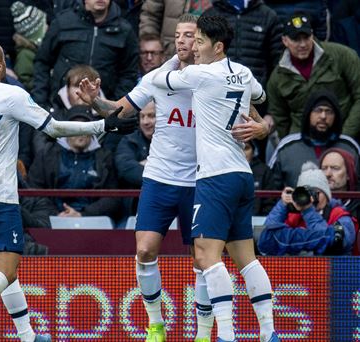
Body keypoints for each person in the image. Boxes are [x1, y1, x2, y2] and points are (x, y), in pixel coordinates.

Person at [78, 13, 270, 342]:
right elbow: (117, 111)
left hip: (203, 179)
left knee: (203, 257)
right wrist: (95, 99)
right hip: (161, 175)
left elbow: (257, 111)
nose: (183, 41)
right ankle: (156, 325)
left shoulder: (203, 77)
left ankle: (206, 332)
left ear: (203, 43)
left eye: (191, 36)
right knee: (145, 250)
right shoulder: (161, 76)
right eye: (178, 35)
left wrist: (264, 127)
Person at [0, 41, 136, 342]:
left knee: (5, 269)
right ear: (1, 66)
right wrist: (101, 126)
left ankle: (27, 335)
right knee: (5, 270)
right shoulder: (11, 94)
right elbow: (54, 128)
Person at [152, 15, 278, 342]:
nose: (193, 48)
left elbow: (158, 80)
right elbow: (262, 98)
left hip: (215, 177)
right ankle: (268, 333)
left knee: (206, 255)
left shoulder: (200, 74)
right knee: (245, 258)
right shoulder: (246, 73)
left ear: (217, 46)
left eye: (200, 42)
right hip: (241, 174)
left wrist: (176, 59)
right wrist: (263, 125)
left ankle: (226, 335)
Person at [266, 12, 360, 139]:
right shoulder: (277, 77)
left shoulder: (342, 56)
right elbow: (280, 118)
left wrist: (346, 136)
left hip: (343, 132)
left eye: (306, 37)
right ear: (285, 41)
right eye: (296, 39)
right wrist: (293, 145)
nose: (303, 44)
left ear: (313, 35)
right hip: (302, 139)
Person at [266, 90, 360, 192]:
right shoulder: (287, 147)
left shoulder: (349, 146)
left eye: (329, 111)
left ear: (336, 116)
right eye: (318, 110)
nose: (323, 116)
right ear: (308, 114)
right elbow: (269, 187)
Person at [259, 162, 358, 256]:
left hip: (332, 269)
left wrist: (308, 211)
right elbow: (265, 238)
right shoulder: (293, 216)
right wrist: (282, 205)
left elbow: (338, 242)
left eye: (316, 193)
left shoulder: (340, 216)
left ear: (327, 195)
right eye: (307, 193)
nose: (311, 198)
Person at [319, 148, 360, 218]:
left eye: (335, 168)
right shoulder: (310, 204)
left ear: (348, 174)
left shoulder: (358, 207)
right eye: (324, 168)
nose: (328, 174)